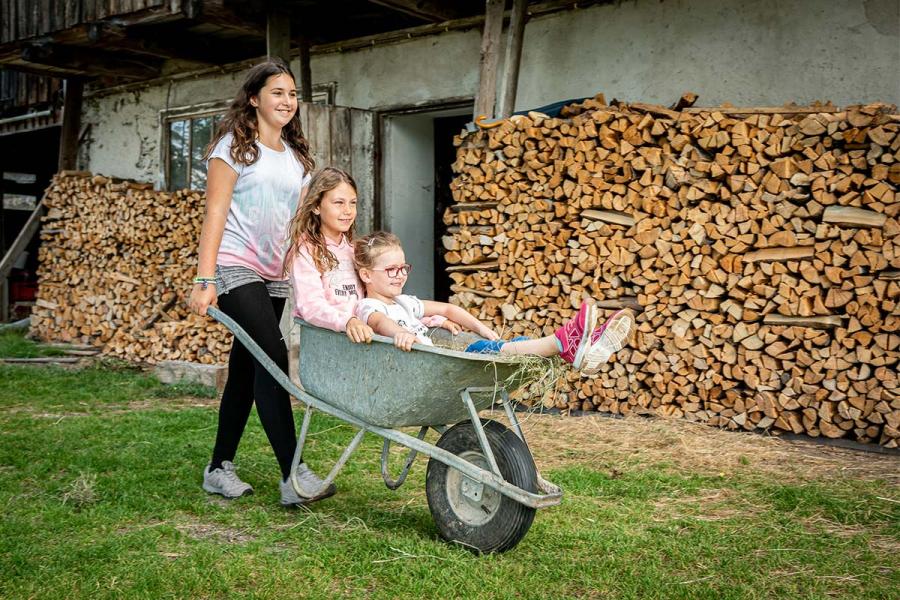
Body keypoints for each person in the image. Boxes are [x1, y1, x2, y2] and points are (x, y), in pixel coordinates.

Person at [187, 59, 334, 507]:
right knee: (271, 358)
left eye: (292, 94)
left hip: (276, 274)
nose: (287, 102)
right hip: (235, 267)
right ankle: (293, 475)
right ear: (254, 98)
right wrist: (204, 277)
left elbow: (300, 221)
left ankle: (218, 467)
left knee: (247, 369)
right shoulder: (231, 148)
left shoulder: (296, 156)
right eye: (277, 93)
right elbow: (214, 212)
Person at [353, 231, 635, 375]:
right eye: (391, 270)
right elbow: (380, 323)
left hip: (443, 360)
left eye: (404, 268)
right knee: (497, 351)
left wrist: (482, 327)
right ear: (366, 274)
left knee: (507, 345)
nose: (400, 275)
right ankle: (565, 343)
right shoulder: (370, 307)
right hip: (430, 368)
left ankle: (582, 347)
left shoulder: (404, 301)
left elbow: (449, 308)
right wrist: (399, 333)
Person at [284, 167, 374, 344]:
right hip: (327, 343)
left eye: (353, 203)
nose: (348, 210)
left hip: (362, 338)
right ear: (317, 206)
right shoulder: (306, 251)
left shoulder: (354, 250)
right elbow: (311, 306)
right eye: (339, 203)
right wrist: (348, 321)